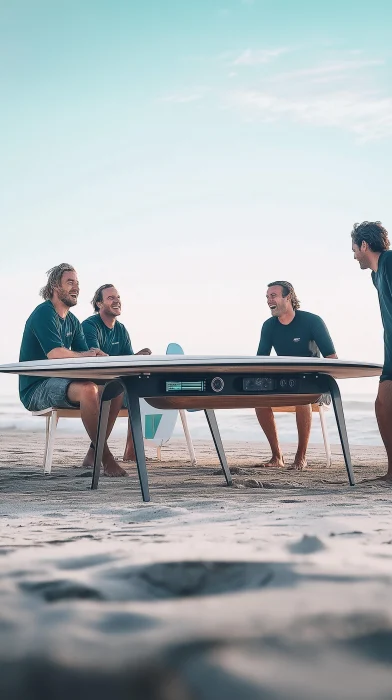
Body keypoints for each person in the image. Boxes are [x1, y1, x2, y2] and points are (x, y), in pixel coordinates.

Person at [19, 264, 127, 477]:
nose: (76, 287)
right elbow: (55, 353)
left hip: (59, 382)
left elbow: (83, 355)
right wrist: (85, 355)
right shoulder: (44, 313)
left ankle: (93, 452)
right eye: (70, 283)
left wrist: (97, 355)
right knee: (88, 390)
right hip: (36, 387)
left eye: (77, 283)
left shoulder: (73, 322)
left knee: (116, 389)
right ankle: (106, 459)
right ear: (54, 287)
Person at [256, 280, 337, 470]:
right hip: (286, 383)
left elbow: (332, 358)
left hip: (316, 386)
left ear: (288, 297)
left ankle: (301, 458)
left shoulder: (312, 321)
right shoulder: (268, 326)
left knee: (302, 399)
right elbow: (261, 362)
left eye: (273, 296)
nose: (269, 300)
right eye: (267, 297)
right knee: (258, 401)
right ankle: (277, 457)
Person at [82, 284, 151, 464]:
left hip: (114, 383)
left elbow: (126, 363)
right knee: (117, 390)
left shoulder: (121, 329)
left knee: (140, 391)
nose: (117, 300)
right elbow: (95, 358)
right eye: (110, 298)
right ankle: (96, 451)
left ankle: (131, 450)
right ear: (99, 304)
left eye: (118, 297)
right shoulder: (90, 326)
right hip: (93, 384)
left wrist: (137, 358)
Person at [351, 221, 392, 481]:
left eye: (354, 249)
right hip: (390, 347)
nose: (354, 255)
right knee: (383, 404)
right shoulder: (375, 275)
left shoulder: (389, 262)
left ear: (364, 245)